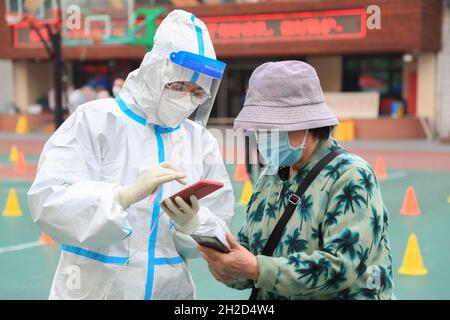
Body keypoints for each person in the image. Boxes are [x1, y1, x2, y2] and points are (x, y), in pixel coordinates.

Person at [27, 10, 233, 300]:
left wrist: (194, 224)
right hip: (91, 291)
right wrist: (119, 197)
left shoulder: (199, 141)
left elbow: (220, 225)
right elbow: (48, 200)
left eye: (197, 92)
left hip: (171, 293)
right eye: (177, 86)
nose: (186, 97)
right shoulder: (96, 120)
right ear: (154, 71)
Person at [198, 61, 394, 300]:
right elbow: (252, 250)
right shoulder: (270, 176)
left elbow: (342, 267)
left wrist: (256, 268)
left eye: (273, 127)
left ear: (308, 124)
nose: (263, 137)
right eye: (259, 129)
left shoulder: (351, 176)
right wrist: (226, 266)